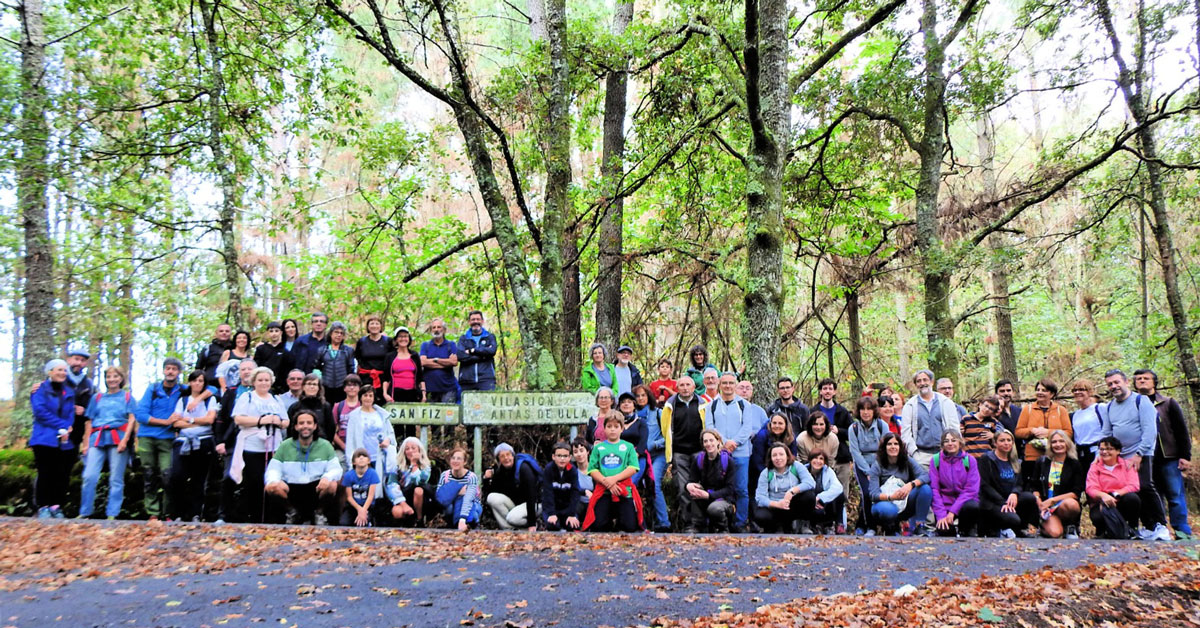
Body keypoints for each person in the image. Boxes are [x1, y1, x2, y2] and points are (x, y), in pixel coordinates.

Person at [1100, 369, 1170, 541]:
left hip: (1142, 453)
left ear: (1125, 382)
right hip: (1121, 457)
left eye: (1117, 382)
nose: (1114, 386)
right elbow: (1107, 432)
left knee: (1146, 486)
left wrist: (1139, 454)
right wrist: (1103, 453)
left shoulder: (1141, 401)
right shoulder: (1110, 407)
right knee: (1133, 492)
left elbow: (1150, 430)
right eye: (1110, 384)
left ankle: (1160, 526)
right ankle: (1146, 526)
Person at [1133, 369, 1192, 539]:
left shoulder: (1168, 403)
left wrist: (1185, 456)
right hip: (1145, 458)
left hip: (1169, 457)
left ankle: (1182, 532)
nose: (1142, 381)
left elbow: (1181, 431)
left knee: (1174, 495)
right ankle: (1155, 528)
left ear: (1154, 382)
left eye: (1146, 378)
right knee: (1151, 495)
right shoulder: (1134, 404)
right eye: (1138, 379)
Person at [230, 366, 289, 523]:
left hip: (273, 447)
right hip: (252, 447)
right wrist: (260, 421)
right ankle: (252, 517)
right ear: (254, 381)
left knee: (271, 481)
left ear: (271, 382)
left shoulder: (276, 399)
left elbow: (286, 421)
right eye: (260, 380)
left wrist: (279, 422)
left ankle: (271, 518)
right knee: (253, 482)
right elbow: (238, 419)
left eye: (266, 380)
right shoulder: (247, 397)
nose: (264, 383)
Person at [78, 366, 137, 520]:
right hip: (97, 438)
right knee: (89, 476)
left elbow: (132, 420)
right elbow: (89, 422)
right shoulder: (97, 398)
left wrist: (125, 440)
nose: (112, 379)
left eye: (115, 376)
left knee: (115, 478)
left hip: (118, 437)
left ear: (121, 378)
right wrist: (85, 444)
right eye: (109, 376)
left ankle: (112, 513)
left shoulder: (127, 397)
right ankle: (85, 511)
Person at [264, 409, 342, 525]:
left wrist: (327, 477)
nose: (305, 426)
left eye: (309, 423)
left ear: (315, 426)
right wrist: (275, 481)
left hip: (315, 487)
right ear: (295, 426)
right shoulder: (285, 445)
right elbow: (273, 469)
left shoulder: (325, 445)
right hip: (292, 487)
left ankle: (319, 514)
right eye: (301, 423)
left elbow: (336, 469)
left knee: (332, 484)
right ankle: (291, 512)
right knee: (271, 487)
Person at [136, 357, 190, 521]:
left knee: (168, 476)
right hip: (147, 437)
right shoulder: (153, 389)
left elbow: (208, 388)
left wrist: (202, 397)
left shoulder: (182, 390)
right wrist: (165, 422)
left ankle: (168, 513)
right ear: (163, 371)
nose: (170, 371)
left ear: (179, 372)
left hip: (168, 439)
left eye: (174, 369)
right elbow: (141, 414)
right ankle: (153, 512)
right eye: (168, 368)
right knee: (149, 475)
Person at [709, 372, 764, 532]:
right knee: (719, 487)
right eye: (724, 383)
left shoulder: (744, 405)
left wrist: (734, 442)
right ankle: (720, 523)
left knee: (741, 489)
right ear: (720, 384)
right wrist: (724, 442)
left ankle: (740, 523)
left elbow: (747, 427)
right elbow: (710, 426)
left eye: (731, 383)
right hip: (719, 453)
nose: (727, 386)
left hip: (741, 453)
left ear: (735, 385)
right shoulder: (712, 405)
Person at [168, 371, 219, 522]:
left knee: (199, 479)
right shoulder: (182, 400)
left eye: (201, 381)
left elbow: (210, 419)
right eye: (194, 380)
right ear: (190, 382)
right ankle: (178, 513)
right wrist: (197, 421)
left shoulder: (210, 400)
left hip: (203, 441)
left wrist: (189, 420)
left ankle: (196, 513)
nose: (197, 384)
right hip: (183, 441)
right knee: (177, 476)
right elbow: (176, 422)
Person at [661, 376, 709, 530]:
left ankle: (702, 522)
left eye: (688, 384)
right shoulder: (670, 405)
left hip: (699, 452)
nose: (685, 387)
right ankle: (689, 524)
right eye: (681, 385)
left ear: (694, 387)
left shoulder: (703, 404)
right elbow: (665, 429)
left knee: (700, 487)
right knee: (683, 488)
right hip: (679, 452)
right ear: (677, 387)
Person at [582, 413, 643, 532]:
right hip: (603, 490)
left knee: (629, 527)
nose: (612, 429)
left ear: (622, 428)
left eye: (616, 426)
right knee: (599, 527)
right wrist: (607, 482)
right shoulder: (598, 448)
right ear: (604, 428)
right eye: (609, 426)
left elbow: (633, 467)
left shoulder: (629, 447)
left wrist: (614, 479)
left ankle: (621, 522)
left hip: (623, 491)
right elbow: (592, 470)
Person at [31, 359, 75, 519]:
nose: (62, 373)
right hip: (43, 437)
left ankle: (56, 505)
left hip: (63, 440)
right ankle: (43, 506)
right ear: (50, 372)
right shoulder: (39, 390)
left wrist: (67, 427)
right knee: (45, 472)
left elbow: (70, 413)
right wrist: (61, 425)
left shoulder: (68, 391)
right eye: (59, 370)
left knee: (61, 473)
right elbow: (40, 412)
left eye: (64, 370)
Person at [213, 359, 255, 524]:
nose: (246, 372)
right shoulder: (231, 392)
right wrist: (219, 441)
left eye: (249, 369)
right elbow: (221, 419)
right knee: (229, 477)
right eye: (243, 369)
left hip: (254, 441)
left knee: (251, 479)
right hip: (232, 441)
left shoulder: (263, 391)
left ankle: (246, 515)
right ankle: (223, 515)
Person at [869, 433, 932, 536]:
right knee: (889, 510)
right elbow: (873, 494)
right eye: (889, 444)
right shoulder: (877, 465)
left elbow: (925, 476)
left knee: (925, 489)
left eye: (896, 444)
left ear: (900, 446)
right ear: (884, 447)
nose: (893, 447)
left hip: (904, 500)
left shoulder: (907, 461)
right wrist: (891, 497)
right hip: (884, 503)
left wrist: (910, 485)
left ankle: (920, 526)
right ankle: (890, 526)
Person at [978, 429, 1037, 538]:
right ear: (995, 443)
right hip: (993, 501)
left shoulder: (1016, 461)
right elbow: (985, 485)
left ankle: (1021, 529)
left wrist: (1014, 493)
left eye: (1009, 440)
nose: (1006, 443)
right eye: (1002, 440)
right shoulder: (986, 459)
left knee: (1029, 498)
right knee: (1013, 520)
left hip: (1009, 499)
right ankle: (997, 528)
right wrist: (1003, 502)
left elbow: (1019, 484)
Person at [1015, 378, 1073, 488]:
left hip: (1057, 456)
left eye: (1044, 390)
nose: (1040, 392)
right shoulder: (1028, 409)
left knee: (1054, 487)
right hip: (1032, 458)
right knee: (1034, 487)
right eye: (1038, 390)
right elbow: (1018, 432)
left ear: (1051, 394)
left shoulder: (1061, 410)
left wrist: (1049, 432)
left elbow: (1068, 433)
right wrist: (1032, 430)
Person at [900, 369, 960, 471]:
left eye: (925, 380)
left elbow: (954, 428)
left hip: (945, 453)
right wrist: (914, 453)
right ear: (915, 385)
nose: (922, 383)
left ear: (931, 382)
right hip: (921, 456)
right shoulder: (910, 405)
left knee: (946, 484)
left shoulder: (945, 402)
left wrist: (953, 449)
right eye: (919, 381)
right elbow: (905, 433)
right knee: (926, 485)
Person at [1028, 429, 1084, 539]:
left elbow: (1076, 492)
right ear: (1050, 445)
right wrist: (1040, 503)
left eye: (1061, 441)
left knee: (1071, 504)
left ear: (1067, 443)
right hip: (1047, 508)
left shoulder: (1074, 464)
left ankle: (1069, 525)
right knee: (1055, 533)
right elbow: (1033, 486)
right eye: (1054, 442)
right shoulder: (1042, 462)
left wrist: (1052, 500)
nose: (1058, 444)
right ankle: (1045, 525)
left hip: (1063, 504)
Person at [342, 386, 396, 500]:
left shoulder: (381, 414)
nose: (368, 398)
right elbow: (350, 439)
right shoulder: (355, 416)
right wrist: (351, 460)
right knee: (364, 487)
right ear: (360, 397)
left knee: (379, 484)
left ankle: (379, 510)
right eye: (365, 395)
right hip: (363, 457)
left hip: (380, 455)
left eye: (370, 395)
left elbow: (390, 434)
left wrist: (388, 441)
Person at [1085, 436, 1142, 539]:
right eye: (1102, 449)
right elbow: (1090, 488)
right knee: (1097, 516)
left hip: (1121, 500)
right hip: (1101, 502)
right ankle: (1105, 531)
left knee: (1133, 499)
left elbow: (1134, 485)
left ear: (1118, 451)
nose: (1105, 452)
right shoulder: (1095, 466)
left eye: (1109, 449)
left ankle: (1133, 528)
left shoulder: (1127, 465)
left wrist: (1115, 494)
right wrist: (1103, 496)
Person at [753, 442, 816, 533]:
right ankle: (776, 527)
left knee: (809, 496)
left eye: (781, 454)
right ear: (770, 458)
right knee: (760, 516)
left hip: (793, 504)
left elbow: (810, 482)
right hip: (775, 506)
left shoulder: (796, 466)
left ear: (787, 456)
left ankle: (803, 525)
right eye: (774, 455)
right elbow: (760, 497)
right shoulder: (766, 473)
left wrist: (792, 491)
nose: (778, 458)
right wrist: (777, 504)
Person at [848, 396, 888, 535]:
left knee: (881, 493)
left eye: (869, 409)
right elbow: (855, 451)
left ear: (874, 411)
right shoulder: (853, 428)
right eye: (862, 409)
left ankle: (886, 526)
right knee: (866, 494)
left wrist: (875, 470)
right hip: (862, 465)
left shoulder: (882, 425)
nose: (866, 412)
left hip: (880, 463)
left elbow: (886, 449)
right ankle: (870, 526)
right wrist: (867, 471)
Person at [929, 430, 980, 537]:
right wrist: (941, 515)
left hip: (964, 504)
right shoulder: (935, 460)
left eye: (953, 440)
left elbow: (971, 490)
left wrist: (953, 512)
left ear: (960, 443)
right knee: (944, 531)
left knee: (973, 507)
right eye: (946, 441)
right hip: (945, 504)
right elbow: (934, 489)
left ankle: (965, 529)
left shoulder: (970, 460)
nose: (950, 443)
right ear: (942, 444)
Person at [749, 413, 799, 522]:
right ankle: (756, 522)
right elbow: (758, 461)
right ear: (770, 424)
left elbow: (792, 459)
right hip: (762, 472)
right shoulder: (762, 436)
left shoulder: (790, 438)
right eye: (774, 423)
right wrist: (770, 476)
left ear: (786, 425)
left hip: (784, 474)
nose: (777, 426)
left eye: (780, 423)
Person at [635, 384, 671, 532]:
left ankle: (664, 524)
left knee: (654, 483)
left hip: (657, 455)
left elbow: (668, 435)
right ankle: (636, 522)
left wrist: (653, 445)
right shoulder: (631, 415)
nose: (640, 398)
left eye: (643, 395)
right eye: (637, 396)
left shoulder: (658, 413)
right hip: (638, 456)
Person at [684, 429, 736, 532]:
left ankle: (722, 528)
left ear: (718, 441)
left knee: (714, 509)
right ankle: (697, 526)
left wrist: (709, 496)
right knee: (694, 492)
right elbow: (691, 480)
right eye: (705, 441)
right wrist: (688, 486)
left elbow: (730, 489)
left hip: (723, 499)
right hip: (705, 496)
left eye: (711, 440)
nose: (709, 444)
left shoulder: (728, 462)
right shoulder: (699, 459)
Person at [483, 443, 540, 531]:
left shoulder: (524, 468)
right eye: (502, 456)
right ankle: (510, 530)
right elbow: (492, 492)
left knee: (512, 518)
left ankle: (535, 525)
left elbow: (531, 495)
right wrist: (487, 479)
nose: (506, 458)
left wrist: (531, 523)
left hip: (533, 503)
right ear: (499, 459)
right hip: (516, 504)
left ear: (513, 455)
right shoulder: (500, 472)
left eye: (508, 454)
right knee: (492, 498)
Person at [814, 378, 855, 493]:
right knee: (822, 491)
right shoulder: (813, 411)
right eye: (825, 388)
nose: (827, 391)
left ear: (834, 392)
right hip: (820, 457)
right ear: (820, 392)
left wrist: (839, 431)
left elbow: (852, 433)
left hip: (841, 457)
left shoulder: (842, 411)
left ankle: (842, 511)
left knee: (842, 492)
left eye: (830, 389)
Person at [436, 448, 482, 531]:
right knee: (449, 509)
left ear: (464, 462)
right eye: (453, 458)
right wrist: (457, 491)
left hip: (471, 504)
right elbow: (439, 496)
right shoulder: (445, 475)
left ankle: (471, 524)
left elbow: (469, 499)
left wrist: (462, 518)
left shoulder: (471, 477)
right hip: (450, 503)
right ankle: (451, 524)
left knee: (473, 514)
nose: (455, 461)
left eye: (459, 459)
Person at [60, 349, 95, 455]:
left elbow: (92, 407)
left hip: (77, 428)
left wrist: (84, 411)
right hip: (58, 425)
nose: (79, 363)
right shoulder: (60, 378)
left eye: (82, 360)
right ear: (69, 360)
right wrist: (71, 408)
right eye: (76, 359)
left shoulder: (88, 384)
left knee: (71, 457)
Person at [391, 437, 434, 525]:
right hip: (403, 496)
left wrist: (414, 464)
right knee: (397, 511)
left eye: (413, 448)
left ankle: (419, 519)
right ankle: (407, 522)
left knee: (418, 490)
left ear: (419, 450)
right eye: (407, 449)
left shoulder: (426, 466)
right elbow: (391, 483)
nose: (410, 451)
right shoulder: (397, 466)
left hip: (421, 498)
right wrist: (402, 502)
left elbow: (419, 482)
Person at [542, 441, 582, 531]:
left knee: (573, 526)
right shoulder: (548, 470)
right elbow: (547, 493)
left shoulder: (573, 470)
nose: (562, 459)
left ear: (570, 457)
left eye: (565, 456)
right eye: (559, 456)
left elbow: (575, 493)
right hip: (552, 508)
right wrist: (551, 513)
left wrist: (572, 514)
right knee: (553, 526)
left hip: (567, 508)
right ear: (553, 457)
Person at [286, 374, 337, 444]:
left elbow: (331, 429)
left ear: (319, 388)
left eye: (315, 384)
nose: (312, 386)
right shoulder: (295, 407)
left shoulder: (325, 406)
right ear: (303, 387)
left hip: (320, 445)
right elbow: (290, 430)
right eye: (309, 384)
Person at [805, 450, 846, 535]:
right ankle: (810, 525)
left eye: (821, 459)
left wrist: (819, 498)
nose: (818, 461)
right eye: (815, 458)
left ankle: (836, 525)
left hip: (823, 503)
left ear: (824, 462)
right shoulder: (803, 470)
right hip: (808, 504)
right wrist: (813, 500)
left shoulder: (828, 471)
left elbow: (838, 487)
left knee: (840, 495)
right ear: (810, 460)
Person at [313, 322, 355, 404]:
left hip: (342, 387)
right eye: (336, 332)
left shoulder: (348, 351)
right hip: (325, 387)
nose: (339, 335)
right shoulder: (322, 350)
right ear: (330, 334)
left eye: (341, 333)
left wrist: (349, 385)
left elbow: (351, 369)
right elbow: (316, 368)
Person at [420, 318, 459, 403]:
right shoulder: (425, 345)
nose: (436, 330)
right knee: (430, 416)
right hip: (429, 389)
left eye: (439, 327)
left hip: (448, 389)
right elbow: (423, 362)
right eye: (434, 327)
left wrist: (435, 360)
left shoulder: (451, 345)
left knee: (448, 415)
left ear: (444, 330)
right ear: (431, 330)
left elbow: (454, 362)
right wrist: (446, 362)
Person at [457, 310, 497, 391]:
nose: (475, 322)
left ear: (482, 321)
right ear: (469, 322)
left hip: (486, 380)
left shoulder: (489, 337)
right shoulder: (463, 339)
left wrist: (472, 351)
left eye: (478, 319)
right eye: (473, 319)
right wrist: (483, 356)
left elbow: (492, 351)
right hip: (466, 381)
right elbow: (460, 356)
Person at [1070, 379, 1104, 473]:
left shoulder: (1100, 408)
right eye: (1075, 390)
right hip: (1081, 455)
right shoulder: (1075, 415)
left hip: (1097, 452)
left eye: (1081, 389)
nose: (1077, 392)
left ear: (1090, 392)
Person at [355, 316, 391, 402]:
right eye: (371, 323)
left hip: (383, 378)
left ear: (381, 326)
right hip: (365, 377)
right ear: (368, 326)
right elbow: (357, 358)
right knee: (366, 401)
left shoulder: (388, 341)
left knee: (382, 402)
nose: (374, 326)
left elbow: (392, 358)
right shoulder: (362, 341)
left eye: (377, 323)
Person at [385, 326, 424, 403]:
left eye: (405, 336)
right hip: (395, 393)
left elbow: (420, 377)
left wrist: (424, 393)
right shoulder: (390, 356)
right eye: (400, 336)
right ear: (396, 339)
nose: (403, 339)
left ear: (409, 339)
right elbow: (386, 378)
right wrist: (385, 394)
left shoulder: (414, 355)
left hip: (413, 393)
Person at [253, 322, 295, 395]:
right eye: (271, 331)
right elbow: (256, 367)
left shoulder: (286, 351)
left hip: (281, 388)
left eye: (276, 331)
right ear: (267, 333)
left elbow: (288, 370)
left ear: (281, 332)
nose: (274, 333)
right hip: (263, 385)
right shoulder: (261, 349)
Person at [341, 448, 380, 527]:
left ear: (369, 461)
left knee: (363, 524)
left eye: (364, 456)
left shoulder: (373, 474)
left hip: (368, 506)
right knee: (344, 524)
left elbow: (370, 496)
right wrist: (359, 509)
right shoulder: (348, 475)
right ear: (353, 462)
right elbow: (349, 497)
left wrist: (364, 510)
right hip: (353, 506)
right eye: (358, 456)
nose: (361, 458)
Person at [330, 375, 363, 454]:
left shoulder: (363, 406)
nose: (352, 388)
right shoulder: (338, 406)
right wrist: (343, 446)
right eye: (349, 385)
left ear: (359, 388)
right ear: (344, 388)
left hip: (361, 445)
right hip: (342, 446)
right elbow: (331, 431)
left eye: (355, 385)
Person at [572, 438, 595, 513]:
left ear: (587, 451)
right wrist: (584, 491)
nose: (579, 454)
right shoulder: (572, 470)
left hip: (594, 503)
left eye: (582, 450)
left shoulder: (595, 469)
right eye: (575, 452)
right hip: (577, 504)